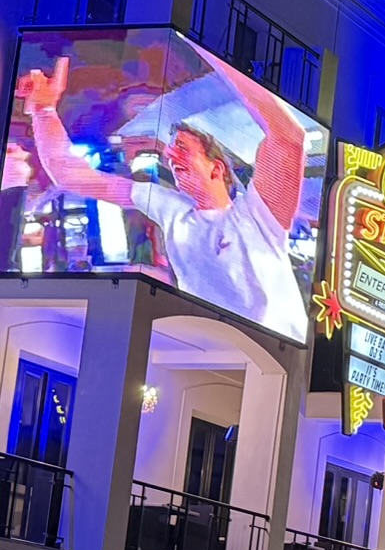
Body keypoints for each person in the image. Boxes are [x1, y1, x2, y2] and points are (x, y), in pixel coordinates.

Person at [14, 47, 313, 339]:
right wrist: (43, 110)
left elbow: (289, 137)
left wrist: (213, 48)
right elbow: (70, 173)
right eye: (171, 151)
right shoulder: (171, 208)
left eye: (182, 148)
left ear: (217, 168)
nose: (171, 156)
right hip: (209, 355)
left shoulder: (255, 214)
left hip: (275, 359)